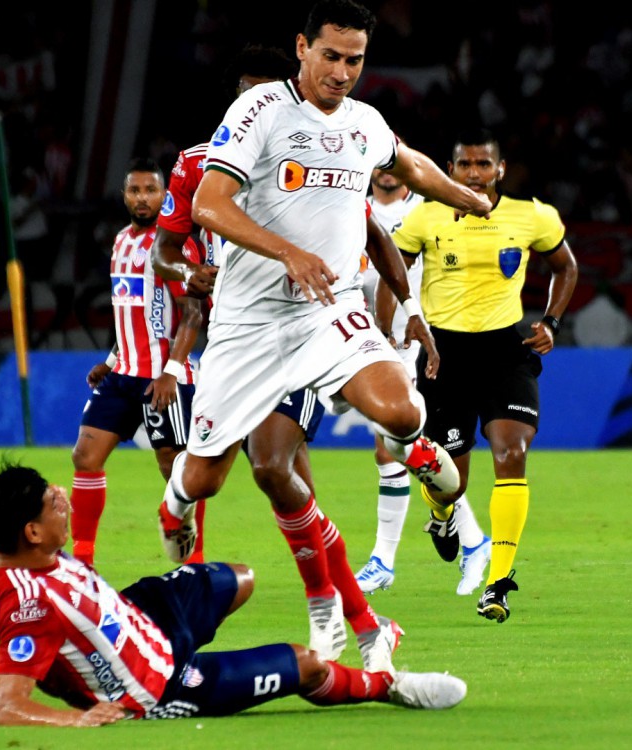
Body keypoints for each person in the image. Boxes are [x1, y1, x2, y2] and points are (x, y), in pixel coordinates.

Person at [157, 0, 491, 663]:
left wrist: (465, 196)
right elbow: (208, 205)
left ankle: (429, 483)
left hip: (328, 308)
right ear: (304, 47)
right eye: (331, 57)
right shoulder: (259, 111)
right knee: (205, 482)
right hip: (250, 324)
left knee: (400, 411)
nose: (341, 72)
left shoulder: (365, 122)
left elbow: (410, 162)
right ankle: (175, 506)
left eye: (355, 60)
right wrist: (287, 251)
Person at [151, 44, 402, 674]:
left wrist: (412, 308)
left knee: (278, 469)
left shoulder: (328, 138)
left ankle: (349, 617)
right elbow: (165, 251)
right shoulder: (197, 166)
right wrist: (189, 270)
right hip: (240, 335)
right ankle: (178, 505)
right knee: (217, 478)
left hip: (312, 323)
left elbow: (371, 229)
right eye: (247, 94)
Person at [0, 460, 467, 726]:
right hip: (159, 685)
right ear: (31, 533)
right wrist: (78, 717)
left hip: (139, 617)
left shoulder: (9, 549)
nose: (63, 496)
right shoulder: (28, 607)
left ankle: (189, 626)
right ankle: (389, 686)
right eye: (52, 502)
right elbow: (9, 706)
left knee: (239, 578)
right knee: (306, 663)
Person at [382, 127, 579, 623]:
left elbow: (566, 266)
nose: (474, 173)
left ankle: (499, 584)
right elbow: (392, 270)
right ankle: (443, 516)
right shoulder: (424, 216)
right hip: (443, 356)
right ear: (451, 170)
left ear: (500, 169)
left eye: (483, 165)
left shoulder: (531, 215)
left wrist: (551, 321)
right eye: (465, 165)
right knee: (449, 480)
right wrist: (392, 326)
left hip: (504, 350)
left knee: (512, 452)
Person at [355, 166, 489, 597]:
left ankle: (384, 559)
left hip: (417, 339)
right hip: (363, 339)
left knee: (392, 446)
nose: (384, 175)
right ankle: (471, 540)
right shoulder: (354, 207)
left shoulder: (427, 213)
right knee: (410, 448)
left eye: (391, 167)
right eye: (377, 169)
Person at [69, 158, 206, 568]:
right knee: (85, 458)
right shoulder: (121, 241)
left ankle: (193, 562)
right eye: (135, 191)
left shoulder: (176, 245)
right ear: (124, 195)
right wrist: (112, 359)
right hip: (124, 374)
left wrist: (171, 372)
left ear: (165, 195)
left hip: (163, 379)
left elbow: (193, 314)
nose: (142, 198)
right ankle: (83, 562)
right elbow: (128, 308)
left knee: (176, 470)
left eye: (150, 190)